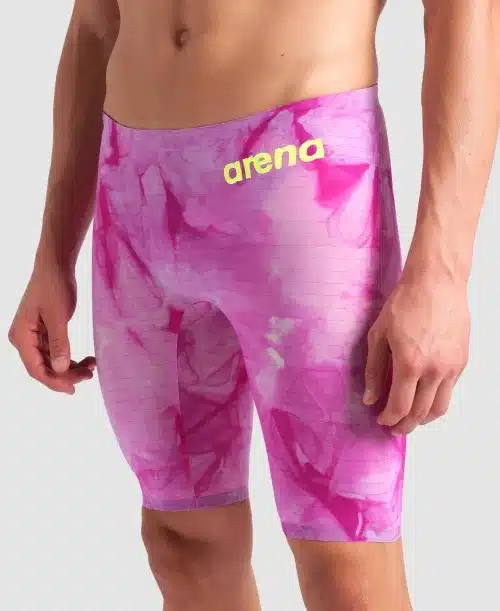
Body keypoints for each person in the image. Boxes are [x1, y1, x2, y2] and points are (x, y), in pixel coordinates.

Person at [8, 1, 499, 609]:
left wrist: (441, 277)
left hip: (300, 175)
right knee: (182, 543)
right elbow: (94, 22)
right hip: (134, 195)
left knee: (346, 567)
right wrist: (53, 254)